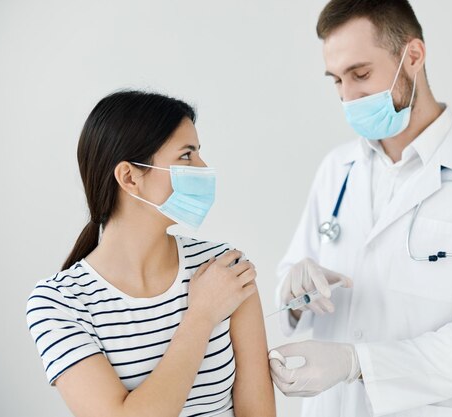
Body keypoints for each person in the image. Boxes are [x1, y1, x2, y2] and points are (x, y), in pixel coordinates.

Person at [268, 1, 452, 416]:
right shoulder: (336, 170)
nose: (348, 96)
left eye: (360, 74)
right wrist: (295, 290)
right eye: (336, 80)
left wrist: (359, 363)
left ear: (413, 56)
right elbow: (291, 281)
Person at [26, 91, 275, 417]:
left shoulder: (224, 268)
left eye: (199, 153)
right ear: (129, 177)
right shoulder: (59, 303)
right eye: (186, 156)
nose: (204, 168)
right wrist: (200, 317)